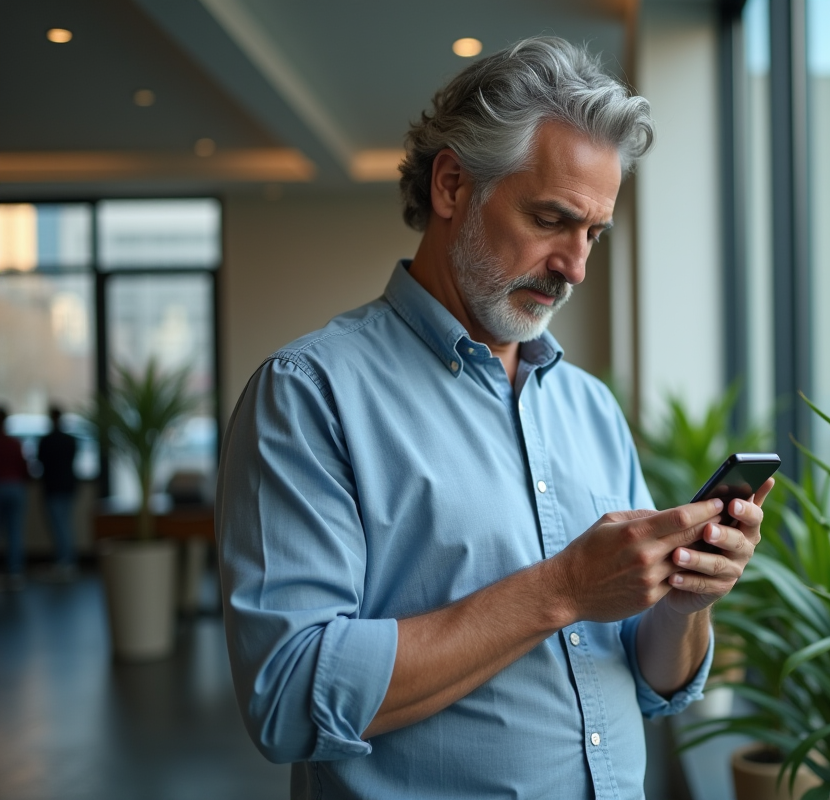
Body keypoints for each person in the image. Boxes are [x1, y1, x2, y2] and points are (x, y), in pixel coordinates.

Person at [217, 37, 773, 799]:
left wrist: (684, 602)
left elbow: (651, 682)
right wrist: (563, 588)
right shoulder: (310, 393)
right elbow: (287, 698)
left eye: (594, 234)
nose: (575, 265)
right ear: (452, 185)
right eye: (552, 219)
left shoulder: (590, 406)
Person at [37, 406, 78, 578]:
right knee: (64, 524)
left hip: (53, 487)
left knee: (59, 525)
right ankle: (66, 559)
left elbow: (40, 461)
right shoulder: (69, 440)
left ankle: (65, 561)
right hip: (68, 486)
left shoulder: (47, 441)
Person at [0, 406, 31, 590]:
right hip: (15, 488)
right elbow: (24, 467)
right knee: (15, 531)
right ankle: (15, 571)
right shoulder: (14, 443)